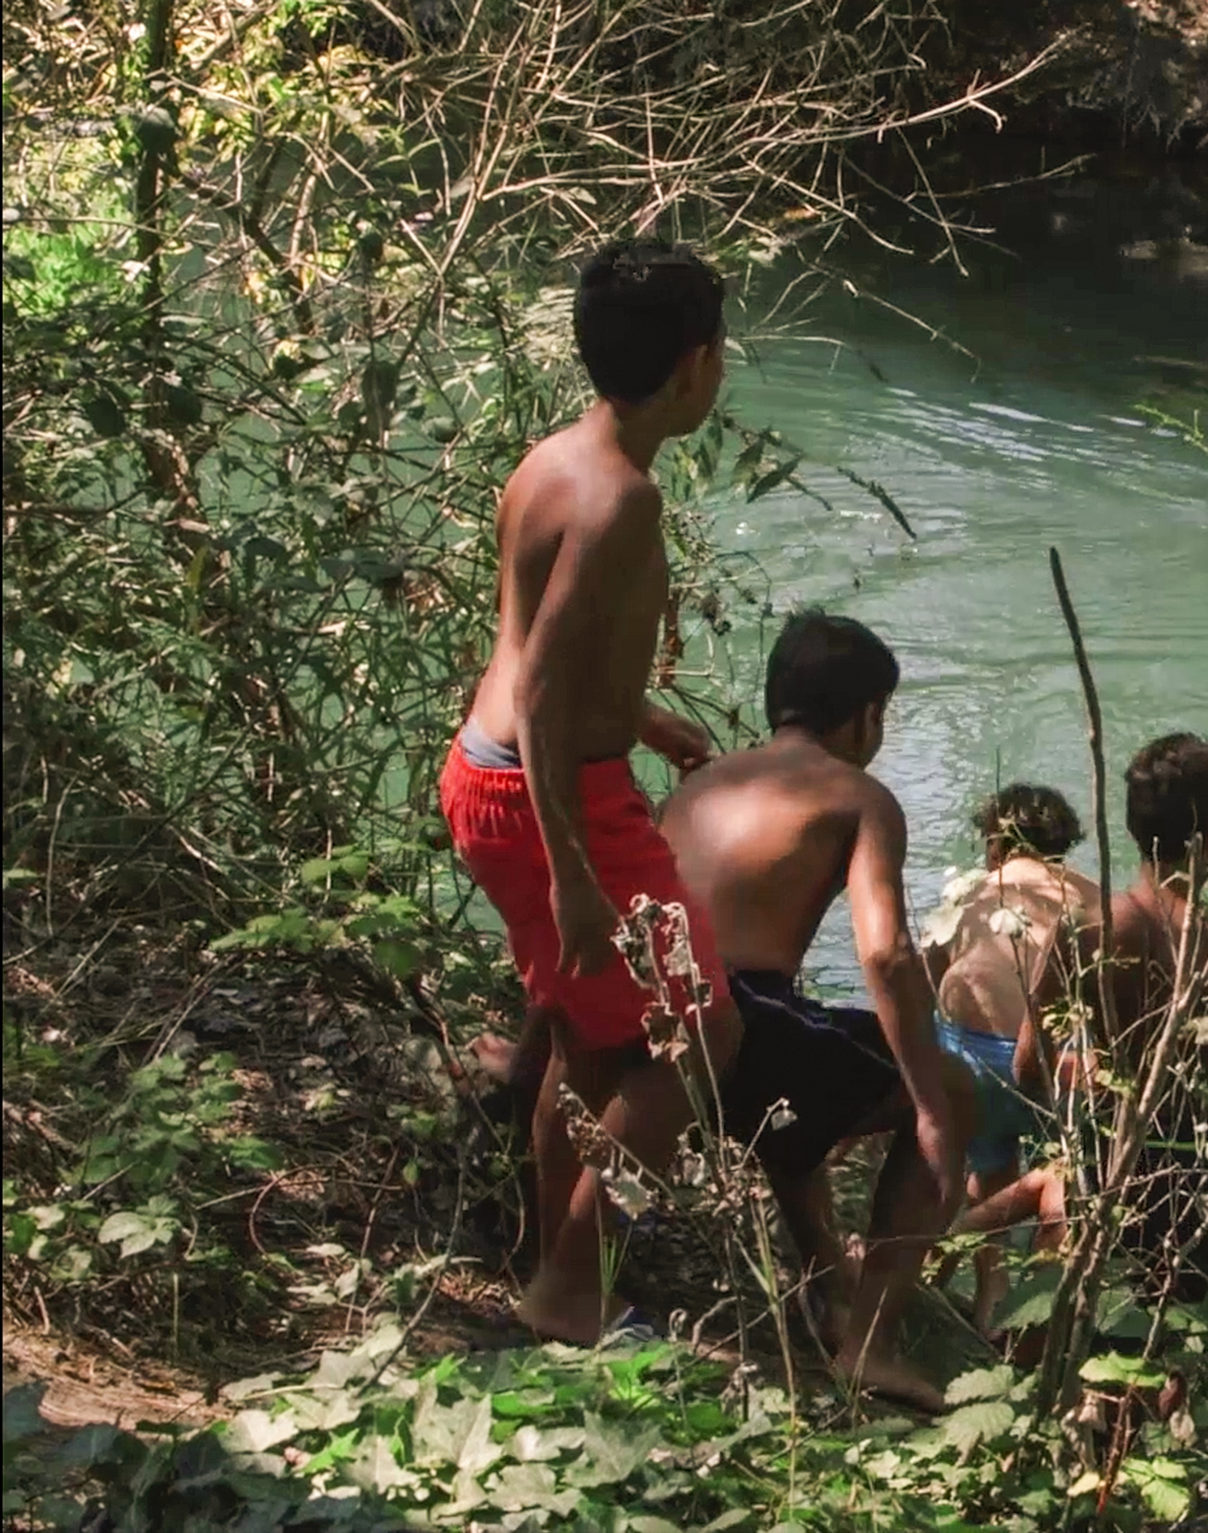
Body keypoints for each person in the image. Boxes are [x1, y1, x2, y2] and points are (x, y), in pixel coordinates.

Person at [439, 237, 743, 1347]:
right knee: (701, 1035)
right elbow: (552, 686)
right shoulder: (620, 501)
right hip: (553, 795)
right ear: (694, 366)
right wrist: (574, 872)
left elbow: (532, 649)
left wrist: (645, 718)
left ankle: (546, 1266)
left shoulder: (555, 459)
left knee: (590, 1039)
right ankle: (574, 1286)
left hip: (494, 772)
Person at [655, 610, 969, 1410]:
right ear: (866, 713)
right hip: (741, 1017)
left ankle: (827, 1278)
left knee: (809, 1055)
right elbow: (886, 955)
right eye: (883, 714)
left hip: (660, 1017)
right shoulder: (859, 795)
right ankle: (871, 1344)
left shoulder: (702, 780)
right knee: (953, 1091)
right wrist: (930, 1100)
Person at [1031, 733, 1208, 1306]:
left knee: (1118, 1327)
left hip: (1116, 1157)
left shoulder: (1082, 933)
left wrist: (1092, 1073)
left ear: (1132, 830)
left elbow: (1030, 1065)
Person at [922, 783, 1100, 1332]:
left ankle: (989, 1287)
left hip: (974, 1058)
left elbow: (931, 971)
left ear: (995, 843)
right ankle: (1043, 1306)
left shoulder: (970, 893)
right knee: (1063, 1175)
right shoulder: (1090, 895)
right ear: (1062, 843)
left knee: (992, 1164)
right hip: (1057, 1061)